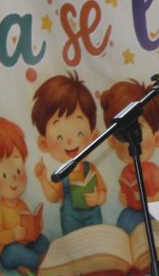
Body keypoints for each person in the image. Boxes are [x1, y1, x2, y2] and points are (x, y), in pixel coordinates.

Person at [0, 116, 50, 276]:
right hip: (7, 249)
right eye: (6, 175)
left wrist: (36, 226)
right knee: (15, 253)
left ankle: (28, 264)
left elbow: (28, 225)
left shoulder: (21, 204)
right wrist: (13, 234)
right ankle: (39, 263)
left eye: (18, 171)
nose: (14, 178)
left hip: (25, 243)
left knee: (43, 241)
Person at [31, 72, 108, 235]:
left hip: (93, 219)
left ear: (94, 137)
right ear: (44, 144)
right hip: (71, 224)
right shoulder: (61, 174)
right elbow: (53, 197)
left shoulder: (91, 168)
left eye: (79, 134)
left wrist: (97, 198)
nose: (70, 143)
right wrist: (43, 178)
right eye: (60, 137)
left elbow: (102, 192)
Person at [100, 79, 159, 234]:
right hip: (132, 213)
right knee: (124, 226)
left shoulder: (153, 170)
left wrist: (155, 200)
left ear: (157, 138)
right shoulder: (125, 171)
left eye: (138, 127)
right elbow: (124, 190)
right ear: (112, 141)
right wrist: (123, 198)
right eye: (121, 130)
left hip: (153, 212)